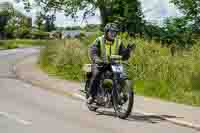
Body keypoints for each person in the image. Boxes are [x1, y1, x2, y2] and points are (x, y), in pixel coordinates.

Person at [88, 23, 135, 104]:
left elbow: (124, 56)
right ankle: (92, 96)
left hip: (113, 64)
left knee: (120, 76)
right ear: (106, 32)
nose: (113, 34)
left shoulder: (118, 42)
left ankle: (117, 96)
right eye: (111, 32)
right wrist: (96, 59)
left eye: (115, 32)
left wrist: (128, 50)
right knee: (97, 74)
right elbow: (93, 51)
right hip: (100, 63)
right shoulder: (99, 40)